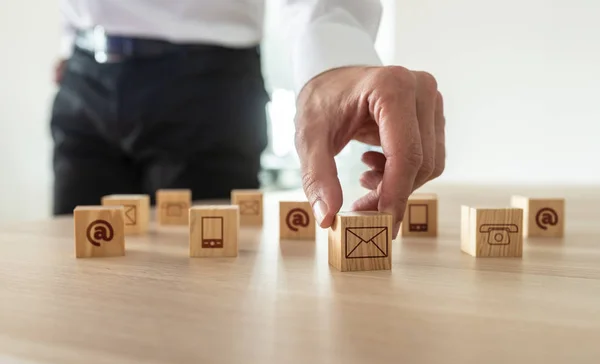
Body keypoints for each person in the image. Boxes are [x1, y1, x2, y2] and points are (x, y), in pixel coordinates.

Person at [52, 0, 445, 238]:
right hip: (84, 70)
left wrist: (334, 56)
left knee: (203, 288)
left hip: (206, 82)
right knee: (72, 268)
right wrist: (72, 42)